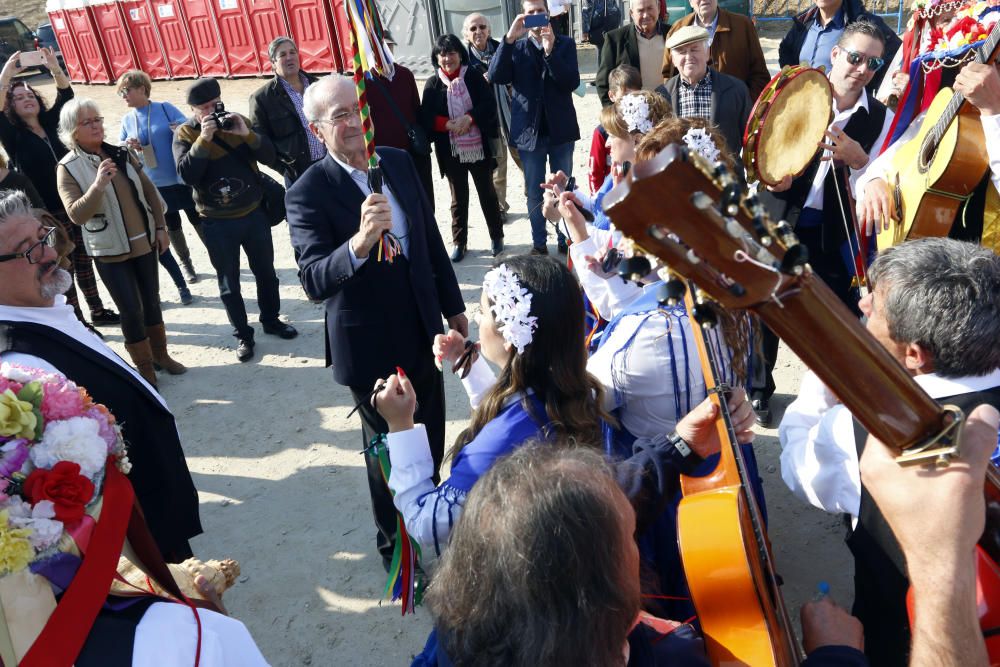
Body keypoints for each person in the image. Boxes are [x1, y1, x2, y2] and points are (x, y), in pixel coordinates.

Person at [411, 443, 871, 666]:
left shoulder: (454, 636)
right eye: (631, 537)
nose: (638, 542)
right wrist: (837, 655)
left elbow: (587, 513)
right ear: (596, 592)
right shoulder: (673, 661)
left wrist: (681, 449)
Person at [779, 238, 1000, 665]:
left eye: (876, 306)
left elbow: (797, 467)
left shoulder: (857, 433)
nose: (861, 304)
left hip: (915, 641)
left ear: (915, 354)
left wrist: (818, 386)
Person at [285, 74, 466, 569]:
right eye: (337, 115)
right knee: (388, 454)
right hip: (370, 350)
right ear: (316, 127)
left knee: (428, 439)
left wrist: (454, 309)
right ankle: (400, 556)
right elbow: (314, 279)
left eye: (355, 109)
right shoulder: (307, 192)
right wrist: (360, 243)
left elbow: (427, 242)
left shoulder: (399, 161)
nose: (351, 122)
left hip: (424, 331)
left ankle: (432, 526)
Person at [0, 189, 202, 562]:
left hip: (154, 514)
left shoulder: (44, 311)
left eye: (43, 237)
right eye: (27, 250)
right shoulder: (17, 371)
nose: (49, 253)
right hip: (128, 548)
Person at [374, 255, 612, 557]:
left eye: (484, 311)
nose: (476, 320)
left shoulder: (501, 440)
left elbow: (427, 525)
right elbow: (513, 410)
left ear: (512, 336)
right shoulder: (573, 391)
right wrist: (468, 366)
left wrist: (400, 426)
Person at [755, 21, 894, 424]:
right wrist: (769, 177)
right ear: (835, 55)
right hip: (779, 215)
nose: (862, 69)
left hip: (835, 230)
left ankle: (834, 396)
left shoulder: (881, 119)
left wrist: (859, 160)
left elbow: (879, 176)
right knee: (767, 306)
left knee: (839, 316)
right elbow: (759, 151)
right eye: (855, 57)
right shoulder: (798, 90)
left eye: (873, 62)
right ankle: (761, 390)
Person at [55, 98, 187, 387]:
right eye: (87, 122)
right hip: (110, 251)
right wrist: (98, 185)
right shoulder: (68, 167)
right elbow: (76, 214)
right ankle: (145, 368)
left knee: (152, 302)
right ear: (72, 131)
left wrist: (161, 228)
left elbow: (150, 191)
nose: (95, 125)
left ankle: (161, 356)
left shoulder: (121, 153)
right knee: (130, 309)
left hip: (144, 242)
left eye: (97, 119)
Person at [174, 78, 298, 363]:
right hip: (217, 222)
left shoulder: (237, 121)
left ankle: (271, 319)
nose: (211, 111)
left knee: (266, 273)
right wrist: (204, 139)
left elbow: (268, 157)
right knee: (229, 284)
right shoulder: (185, 133)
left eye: (214, 104)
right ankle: (243, 334)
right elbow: (187, 175)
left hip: (253, 214)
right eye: (203, 108)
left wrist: (248, 134)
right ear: (193, 110)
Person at [0, 50, 119, 330]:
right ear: (10, 107)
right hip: (48, 214)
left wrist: (54, 67)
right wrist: (6, 76)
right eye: (18, 98)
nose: (26, 99)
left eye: (30, 94)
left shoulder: (55, 123)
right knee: (62, 267)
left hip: (76, 203)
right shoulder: (13, 135)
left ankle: (98, 310)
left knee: (85, 261)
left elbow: (67, 95)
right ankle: (78, 322)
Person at [857, 59, 1000, 247]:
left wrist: (992, 111)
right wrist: (873, 181)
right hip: (916, 254)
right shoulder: (944, 106)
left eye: (996, 63)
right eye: (970, 59)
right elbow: (891, 159)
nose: (980, 70)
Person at [489, 0, 580, 255]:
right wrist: (508, 39)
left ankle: (565, 239)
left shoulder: (566, 44)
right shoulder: (515, 47)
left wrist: (550, 52)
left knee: (562, 187)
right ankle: (539, 244)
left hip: (560, 130)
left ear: (548, 13)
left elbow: (570, 81)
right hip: (530, 133)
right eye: (531, 13)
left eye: (540, 11)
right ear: (523, 16)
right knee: (534, 190)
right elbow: (496, 76)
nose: (537, 17)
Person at [117, 69, 202, 304]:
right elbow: (120, 145)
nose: (123, 96)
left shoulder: (165, 108)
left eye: (127, 91)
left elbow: (192, 126)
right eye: (121, 93)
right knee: (172, 226)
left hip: (182, 178)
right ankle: (187, 266)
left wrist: (180, 130)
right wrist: (128, 144)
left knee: (199, 219)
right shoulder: (128, 119)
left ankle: (218, 260)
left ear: (142, 89)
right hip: (157, 184)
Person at [420, 34, 503, 262]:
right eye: (442, 54)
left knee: (487, 192)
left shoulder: (474, 77)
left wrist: (469, 118)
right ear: (437, 57)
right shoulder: (433, 84)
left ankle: (497, 237)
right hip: (450, 150)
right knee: (458, 198)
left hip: (478, 147)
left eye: (452, 53)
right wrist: (446, 124)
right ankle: (460, 241)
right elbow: (426, 117)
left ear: (460, 54)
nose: (447, 58)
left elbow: (488, 105)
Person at [655, 25, 751, 160]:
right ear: (673, 59)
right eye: (681, 52)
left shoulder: (736, 89)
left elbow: (752, 140)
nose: (688, 57)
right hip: (681, 178)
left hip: (727, 177)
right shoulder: (662, 95)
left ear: (707, 53)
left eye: (694, 50)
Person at [366, 31, 436, 211]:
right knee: (399, 205)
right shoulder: (364, 82)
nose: (384, 51)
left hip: (413, 151)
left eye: (388, 46)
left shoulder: (406, 75)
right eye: (379, 48)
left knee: (425, 201)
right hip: (386, 156)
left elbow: (416, 109)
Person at [464, 13, 521, 224]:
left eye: (482, 27)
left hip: (513, 116)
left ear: (489, 30)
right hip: (489, 121)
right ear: (466, 34)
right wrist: (481, 81)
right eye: (473, 29)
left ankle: (535, 198)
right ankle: (499, 208)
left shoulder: (503, 49)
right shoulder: (463, 59)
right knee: (497, 168)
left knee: (526, 162)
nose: (478, 32)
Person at [778, 0, 900, 94]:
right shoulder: (803, 23)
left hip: (845, 117)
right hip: (806, 111)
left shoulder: (865, 24)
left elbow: (898, 57)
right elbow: (787, 57)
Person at [249, 36, 324, 186]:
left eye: (292, 52)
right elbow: (260, 144)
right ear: (273, 64)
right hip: (298, 174)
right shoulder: (262, 99)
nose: (289, 57)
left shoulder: (318, 86)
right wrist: (285, 169)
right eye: (282, 55)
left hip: (330, 163)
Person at [661, 0, 772, 101]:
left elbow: (760, 76)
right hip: (690, 116)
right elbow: (669, 76)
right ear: (690, 2)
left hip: (735, 116)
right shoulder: (676, 30)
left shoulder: (743, 26)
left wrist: (745, 106)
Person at [594, 0, 671, 106]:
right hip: (632, 112)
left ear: (658, 8)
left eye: (650, 8)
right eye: (640, 10)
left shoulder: (672, 33)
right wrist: (615, 115)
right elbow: (603, 83)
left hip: (667, 108)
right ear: (631, 13)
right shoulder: (615, 39)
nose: (646, 15)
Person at [588, 64, 641, 195]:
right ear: (611, 96)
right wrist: (597, 200)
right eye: (625, 95)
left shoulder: (644, 126)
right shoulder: (601, 132)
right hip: (609, 192)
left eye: (635, 95)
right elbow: (594, 171)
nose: (630, 101)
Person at [581, 0, 623, 67]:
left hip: (609, 21)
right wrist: (585, 30)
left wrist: (585, 30)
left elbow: (586, 9)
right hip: (600, 23)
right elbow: (586, 9)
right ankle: (603, 74)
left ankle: (608, 73)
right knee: (603, 49)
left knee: (609, 49)